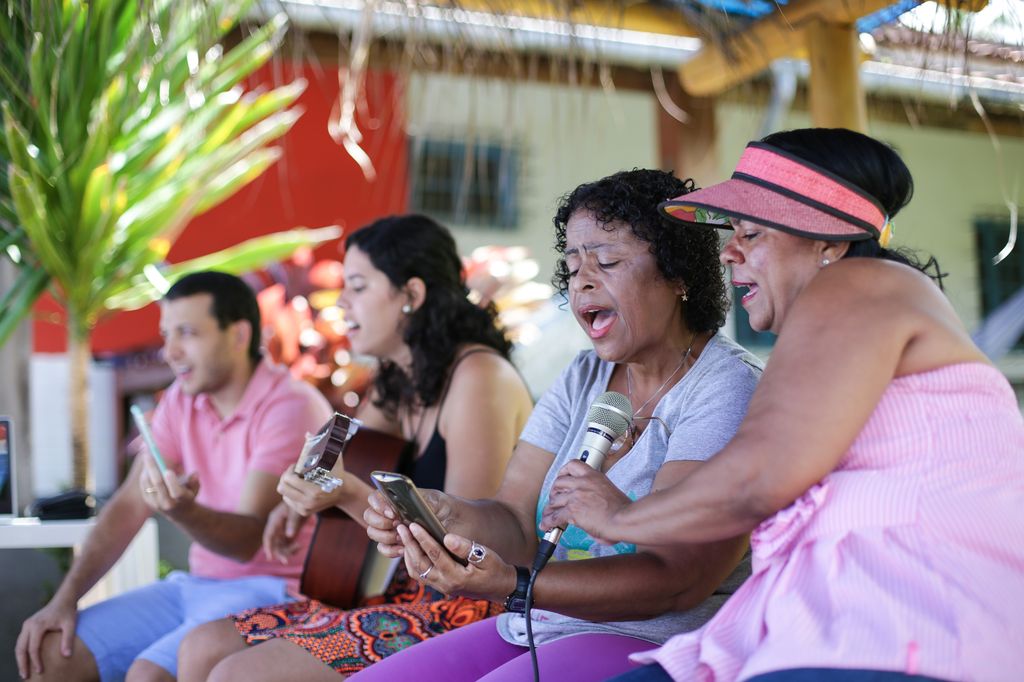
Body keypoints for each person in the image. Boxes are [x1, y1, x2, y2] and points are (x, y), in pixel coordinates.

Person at [543, 128, 1024, 682]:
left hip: (912, 625)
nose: (728, 250)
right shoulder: (851, 310)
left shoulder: (856, 284)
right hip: (836, 623)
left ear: (829, 244)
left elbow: (757, 476)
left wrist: (620, 516)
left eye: (751, 231)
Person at [356, 169, 763, 681]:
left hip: (658, 643)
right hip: (539, 624)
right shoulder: (583, 375)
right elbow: (514, 522)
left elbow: (676, 578)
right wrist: (445, 516)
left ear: (679, 275)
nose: (584, 281)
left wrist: (515, 584)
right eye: (572, 268)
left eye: (608, 262)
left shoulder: (724, 388)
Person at [176, 214, 534, 681]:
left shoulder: (478, 379)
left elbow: (467, 548)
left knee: (239, 675)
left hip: (467, 609)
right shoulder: (397, 379)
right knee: (201, 647)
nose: (341, 302)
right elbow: (338, 458)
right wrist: (302, 502)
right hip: (395, 598)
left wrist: (341, 494)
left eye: (359, 287)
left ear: (411, 295)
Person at [15, 271, 334, 682]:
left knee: (148, 675)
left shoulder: (289, 405)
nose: (170, 352)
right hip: (195, 586)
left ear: (238, 335)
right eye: (167, 335)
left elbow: (246, 542)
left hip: (274, 591)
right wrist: (65, 600)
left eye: (187, 333)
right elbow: (130, 504)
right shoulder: (182, 400)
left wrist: (184, 512)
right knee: (48, 655)